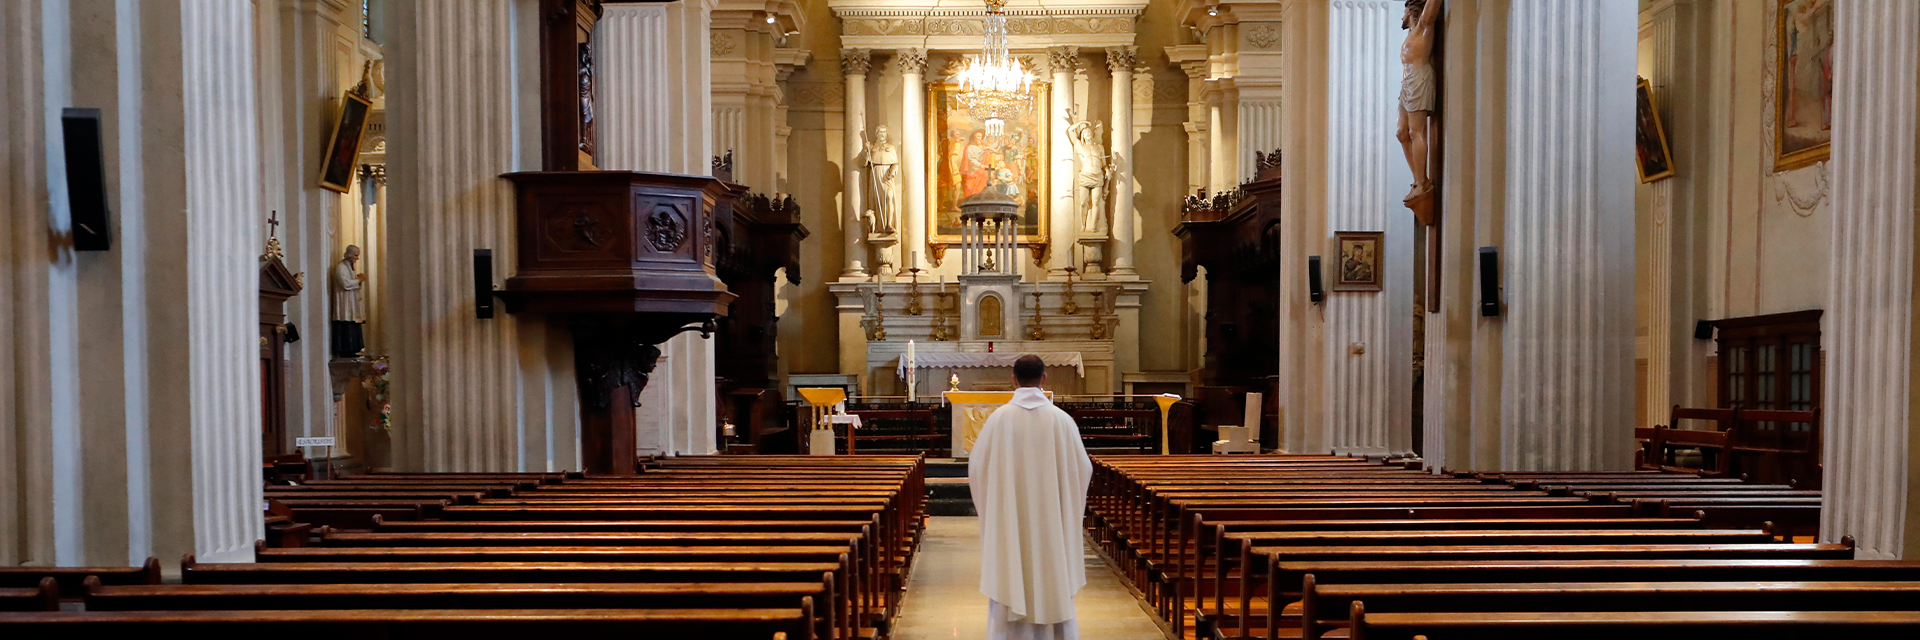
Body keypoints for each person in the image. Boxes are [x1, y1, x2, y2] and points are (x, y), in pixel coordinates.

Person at [967, 354, 1094, 640]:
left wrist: (999, 503)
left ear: (1013, 379)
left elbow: (977, 469)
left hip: (1011, 525)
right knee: (1053, 574)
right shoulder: (1062, 421)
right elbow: (1082, 470)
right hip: (1052, 527)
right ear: (1044, 379)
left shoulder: (998, 420)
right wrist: (1061, 501)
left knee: (1012, 571)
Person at [1396, 0, 1443, 203]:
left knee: (1416, 131)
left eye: (1404, 11)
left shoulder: (1424, 24)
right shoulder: (1410, 35)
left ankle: (1423, 183)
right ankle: (1418, 179)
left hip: (1419, 79)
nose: (1401, 17)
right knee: (1401, 133)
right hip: (1407, 83)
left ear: (1412, 11)